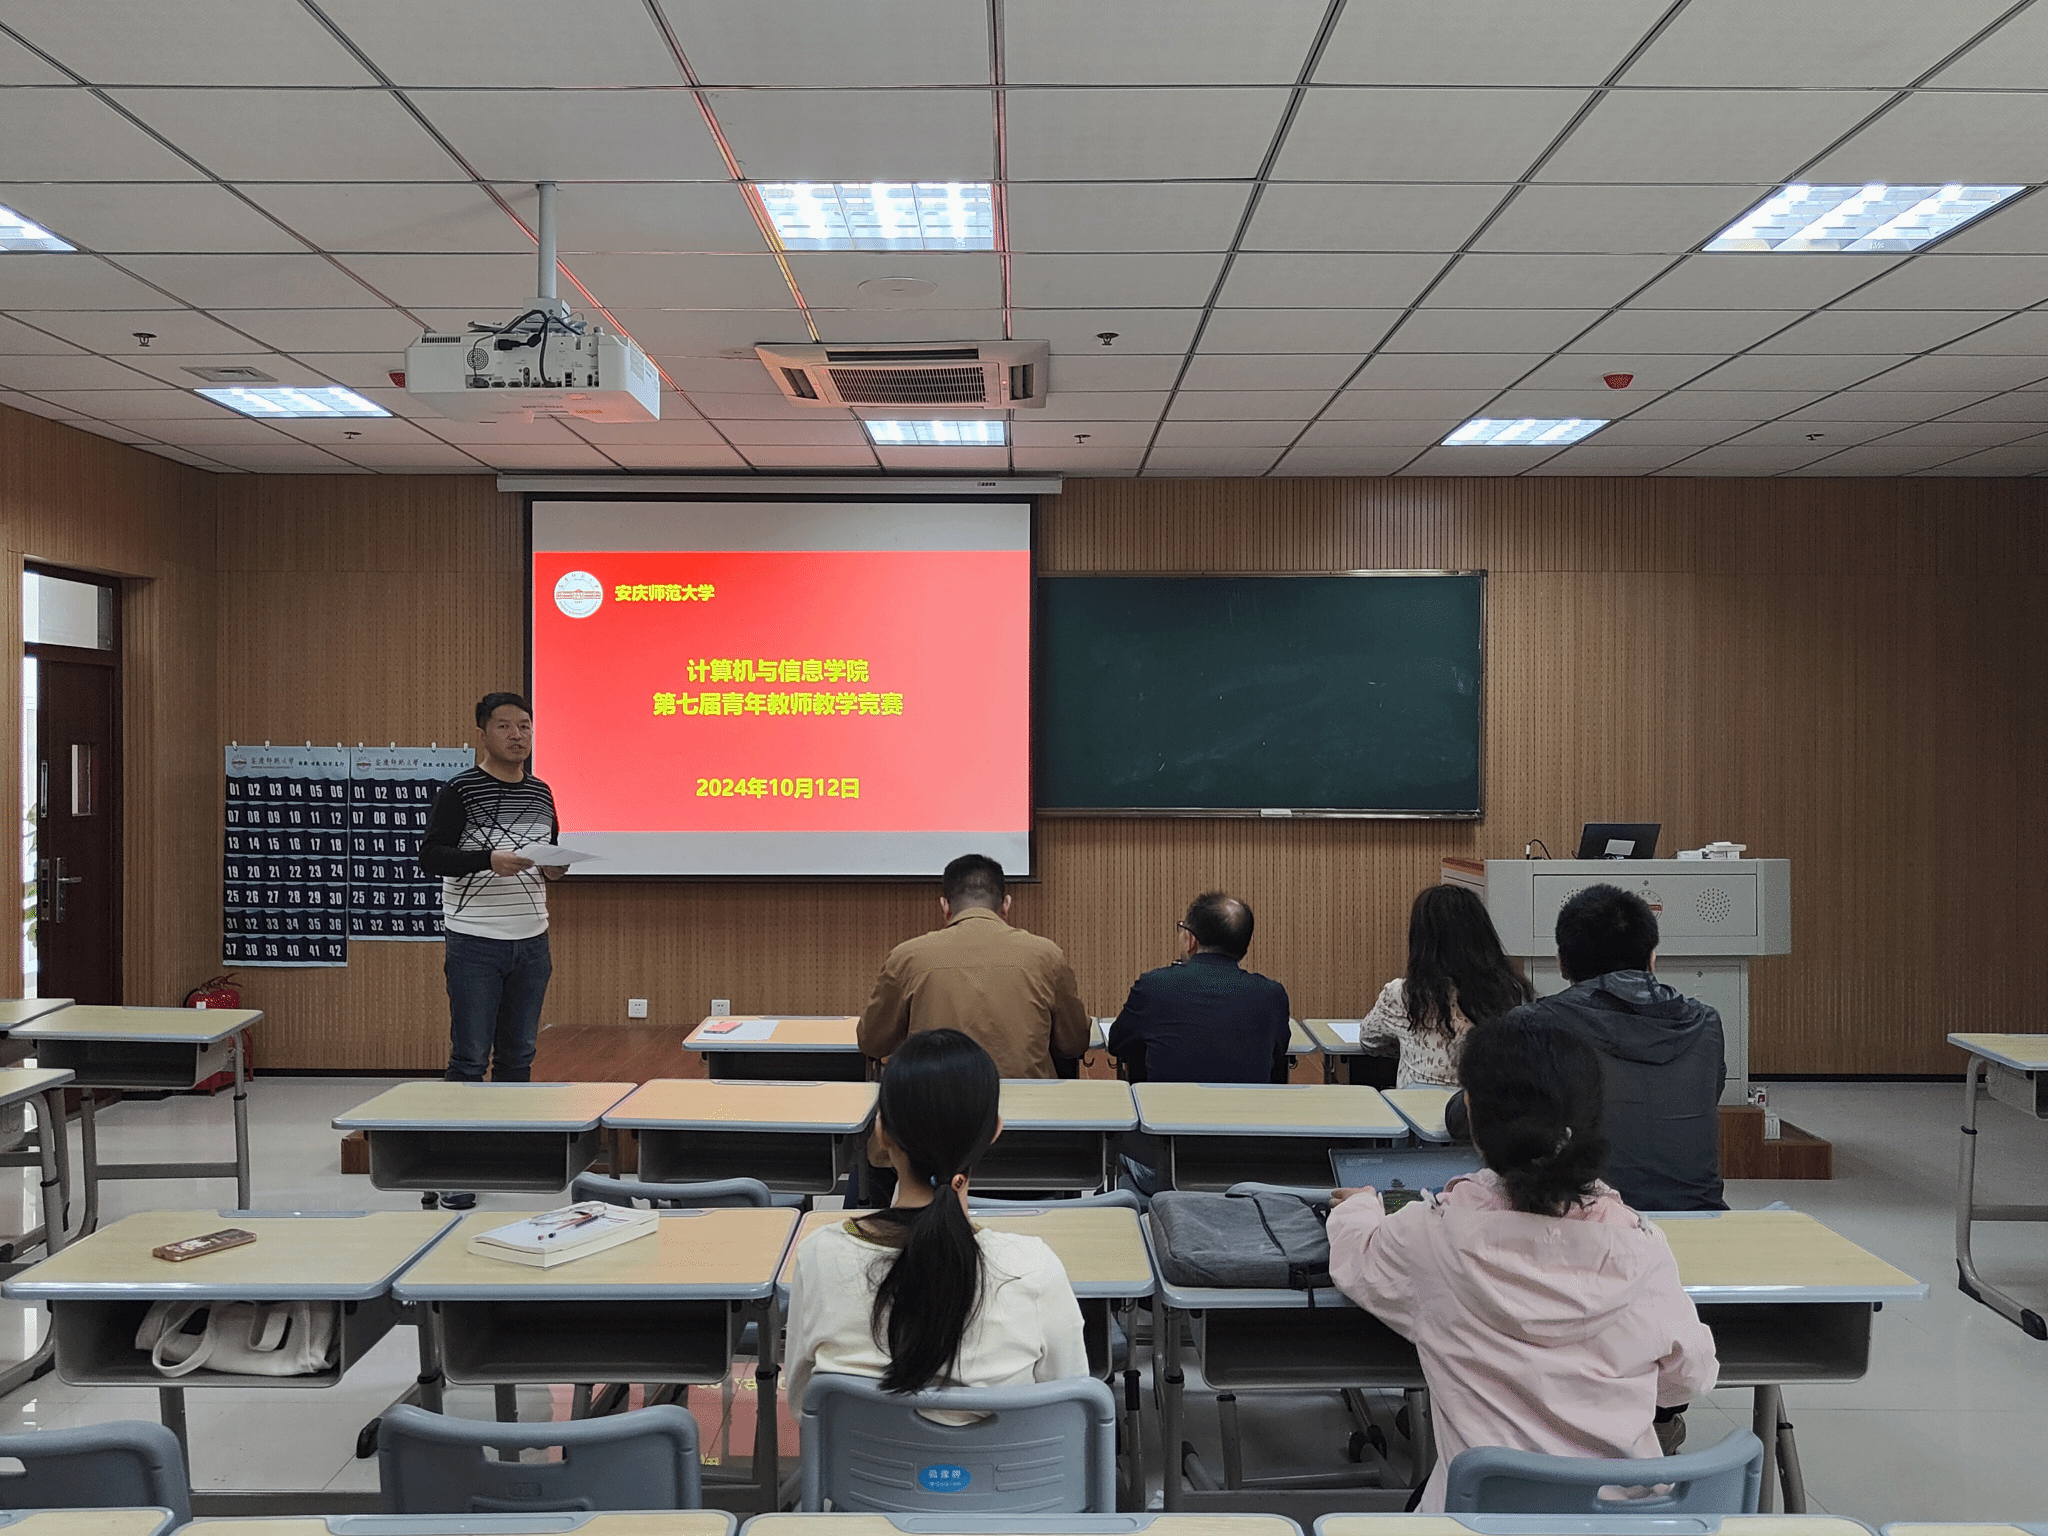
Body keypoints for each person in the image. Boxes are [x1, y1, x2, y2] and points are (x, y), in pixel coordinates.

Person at [1326, 1013, 1718, 1511]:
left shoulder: (1433, 1236)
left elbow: (1356, 1258)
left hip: (1481, 1516)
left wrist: (1361, 1206)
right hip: (1620, 1518)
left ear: (1470, 1113)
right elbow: (1691, 1376)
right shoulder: (1642, 1246)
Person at [784, 1029, 1089, 1416]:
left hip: (856, 1457)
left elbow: (803, 1407)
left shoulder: (819, 1256)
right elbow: (1070, 1411)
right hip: (1000, 1459)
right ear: (994, 1131)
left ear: (882, 1132)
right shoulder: (1035, 1270)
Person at [419, 693, 566, 1207]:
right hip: (476, 941)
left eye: (525, 725)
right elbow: (431, 856)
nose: (517, 735)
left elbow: (549, 857)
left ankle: (505, 1155)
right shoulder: (460, 790)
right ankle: (452, 1166)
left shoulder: (542, 792)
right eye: (504, 726)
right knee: (469, 1057)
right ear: (482, 734)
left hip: (532, 939)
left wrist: (557, 866)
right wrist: (486, 859)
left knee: (518, 1056)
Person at [1500, 883, 1728, 1212]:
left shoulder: (1532, 1025)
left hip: (1586, 1221)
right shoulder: (1705, 1023)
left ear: (1561, 962)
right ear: (1652, 960)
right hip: (1699, 1217)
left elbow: (1492, 1119)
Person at [856, 853, 1091, 1080]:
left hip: (933, 1100)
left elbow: (872, 1043)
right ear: (1006, 904)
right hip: (1025, 1103)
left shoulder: (906, 957)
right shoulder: (1047, 955)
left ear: (945, 906)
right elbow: (1074, 1043)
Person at [1357, 884, 1535, 1087]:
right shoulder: (1512, 991)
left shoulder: (1402, 995)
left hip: (1415, 1106)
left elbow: (1369, 1041)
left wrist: (1406, 1045)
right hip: (1484, 1105)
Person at [1108, 891, 1290, 1083]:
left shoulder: (1153, 986)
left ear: (1191, 940)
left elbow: (1118, 1043)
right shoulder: (1272, 996)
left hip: (1169, 1103)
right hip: (1246, 1103)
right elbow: (1279, 1049)